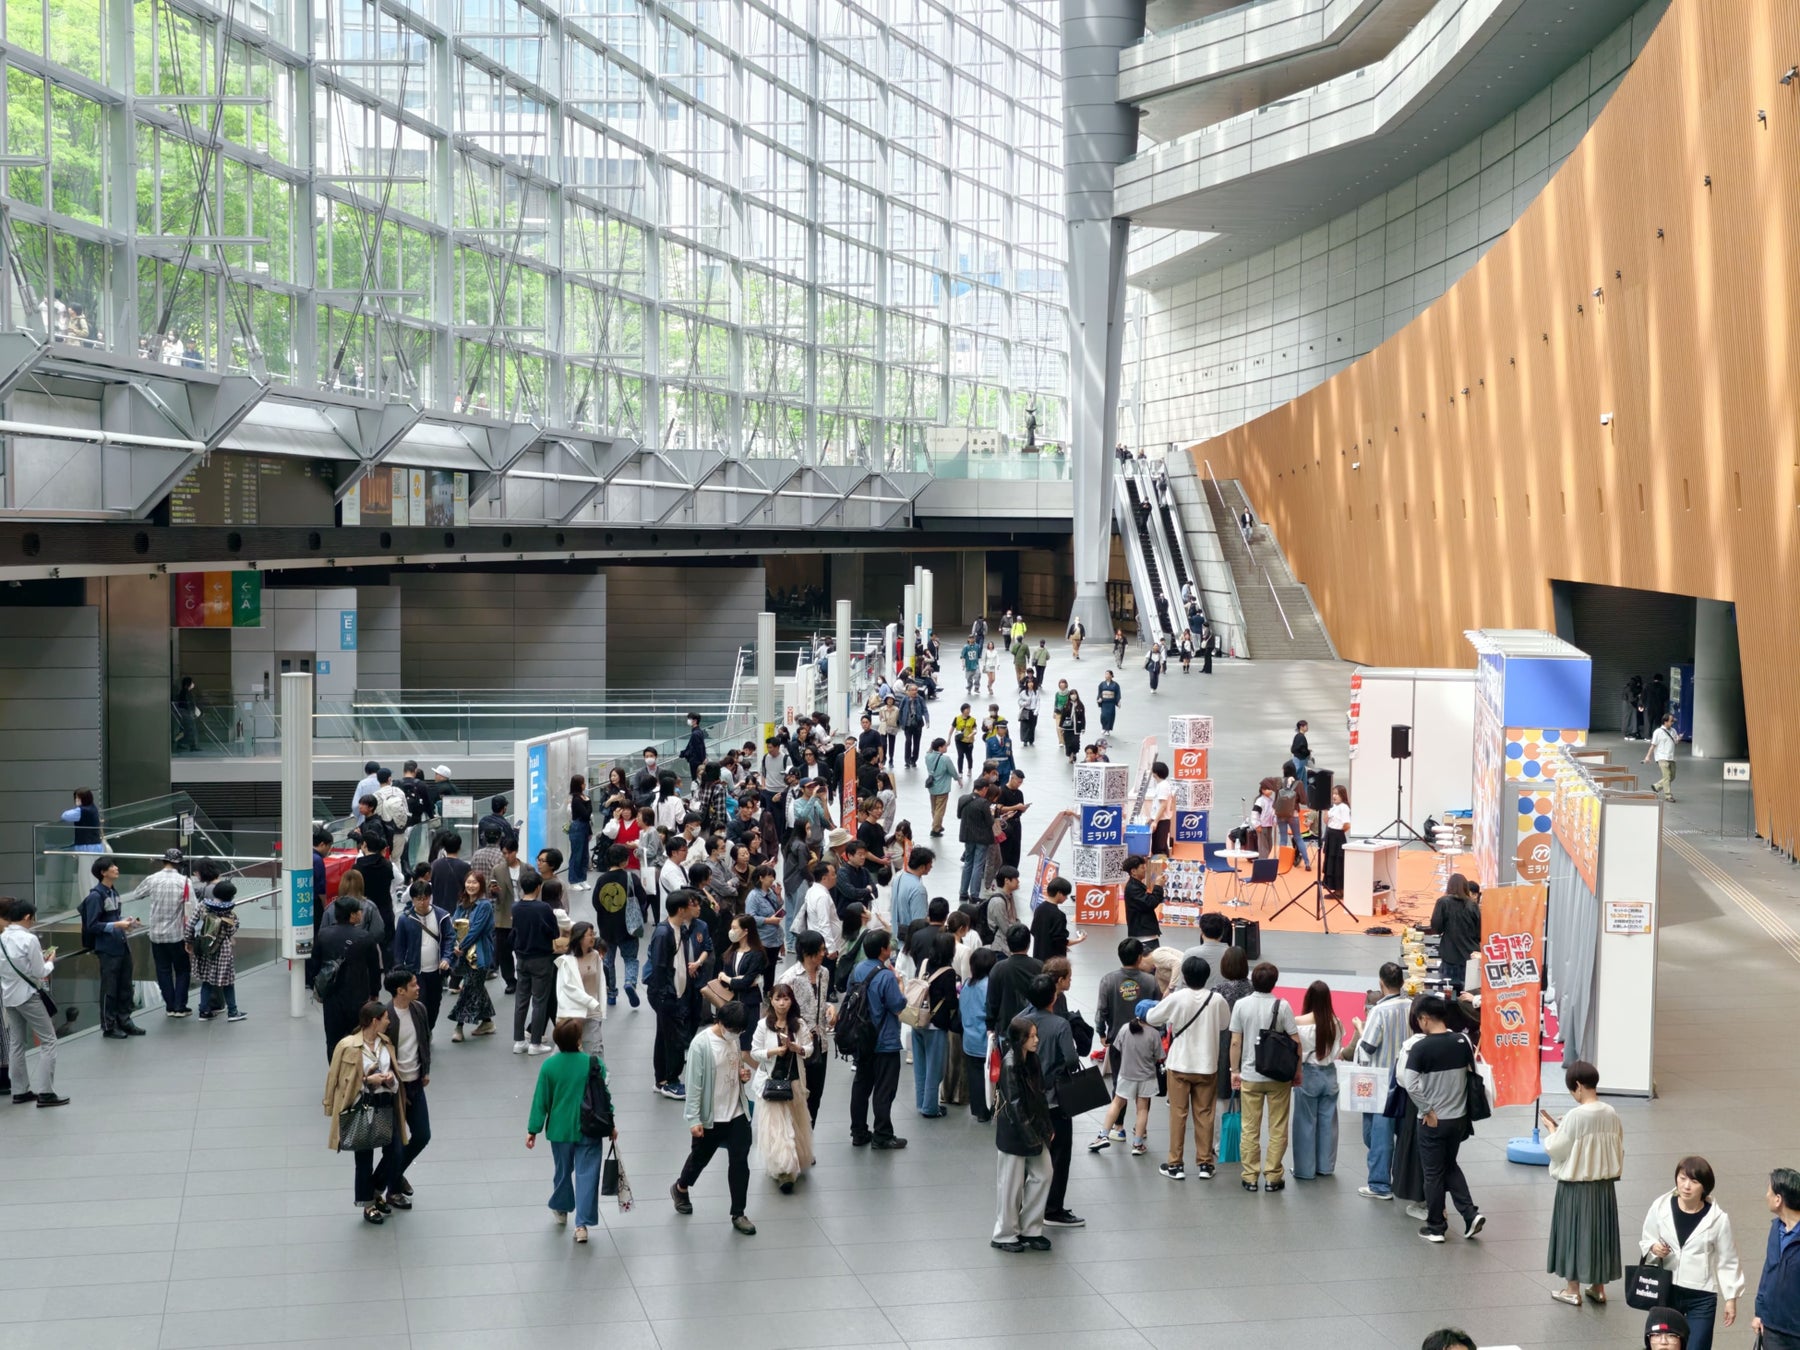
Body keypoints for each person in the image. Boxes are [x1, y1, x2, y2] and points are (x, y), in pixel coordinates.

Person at [1399, 993, 1486, 1244]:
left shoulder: (1420, 1047)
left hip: (1433, 1121)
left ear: (1425, 1018)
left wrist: (1427, 1110)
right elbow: (1471, 1074)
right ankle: (1470, 1214)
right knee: (1449, 1165)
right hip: (1458, 1118)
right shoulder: (1462, 1040)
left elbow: (1410, 1084)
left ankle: (1436, 1226)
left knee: (1433, 1174)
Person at [1543, 1058, 1626, 1305]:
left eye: (1572, 1090)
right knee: (1599, 1235)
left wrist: (1552, 1130)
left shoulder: (1575, 1116)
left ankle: (1572, 1289)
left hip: (1576, 1187)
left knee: (1573, 1235)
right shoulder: (1610, 1112)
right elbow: (1618, 1146)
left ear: (1578, 1086)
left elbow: (1557, 1148)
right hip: (1604, 1187)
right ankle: (1598, 1288)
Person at [1638, 1157, 1743, 1350]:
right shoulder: (1661, 1206)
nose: (1686, 1186)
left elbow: (1728, 1260)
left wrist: (1731, 1298)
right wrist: (1654, 1247)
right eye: (1682, 1178)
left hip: (1701, 1295)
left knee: (1698, 1346)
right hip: (1666, 1290)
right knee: (1664, 1346)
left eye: (1694, 1181)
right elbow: (1647, 1237)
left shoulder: (1718, 1219)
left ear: (1705, 1187)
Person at [671, 999, 756, 1235]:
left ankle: (738, 1213)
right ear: (720, 1021)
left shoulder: (734, 1039)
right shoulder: (701, 1045)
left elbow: (734, 1065)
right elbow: (694, 1084)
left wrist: (742, 1074)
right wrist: (693, 1119)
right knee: (699, 1158)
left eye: (740, 1031)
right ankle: (681, 1187)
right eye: (733, 1029)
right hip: (711, 1116)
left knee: (740, 1162)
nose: (736, 1034)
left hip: (736, 1112)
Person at [526, 1018, 611, 1244]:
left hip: (560, 1130)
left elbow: (541, 1100)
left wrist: (533, 1129)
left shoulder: (549, 1066)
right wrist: (611, 1125)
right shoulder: (593, 1064)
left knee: (563, 1171)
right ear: (579, 1040)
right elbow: (603, 1097)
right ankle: (581, 1225)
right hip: (590, 1127)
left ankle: (561, 1208)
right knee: (588, 1174)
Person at [323, 999, 407, 1225]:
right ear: (374, 1021)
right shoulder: (347, 1046)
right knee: (364, 1159)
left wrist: (389, 1080)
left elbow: (394, 1072)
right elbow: (336, 1078)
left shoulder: (385, 1043)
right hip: (362, 1107)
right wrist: (368, 1080)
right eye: (386, 1018)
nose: (389, 1021)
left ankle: (376, 1190)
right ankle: (367, 1204)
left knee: (396, 1152)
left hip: (386, 1104)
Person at [1146, 955, 1228, 1180]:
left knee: (1178, 1114)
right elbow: (1224, 1024)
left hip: (1179, 1065)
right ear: (1206, 976)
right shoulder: (1217, 999)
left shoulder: (1177, 997)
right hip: (1207, 1066)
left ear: (1185, 976)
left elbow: (1152, 1017)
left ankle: (1175, 1164)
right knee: (1205, 1114)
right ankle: (1205, 1163)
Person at [1229, 960, 1298, 1192]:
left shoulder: (1241, 1005)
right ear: (1274, 982)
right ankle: (1273, 1176)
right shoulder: (1283, 1006)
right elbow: (1295, 1041)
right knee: (1278, 1127)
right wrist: (1297, 1071)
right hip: (1278, 1075)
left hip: (1250, 1075)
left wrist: (1234, 1070)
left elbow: (1235, 1041)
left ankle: (1250, 1176)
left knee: (1249, 1127)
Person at [1019, 973, 1080, 1227]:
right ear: (1053, 997)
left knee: (1027, 1156)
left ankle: (1024, 1205)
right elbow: (1071, 1059)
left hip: (1026, 1099)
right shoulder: (1060, 1025)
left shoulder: (1019, 1022)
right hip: (1054, 1100)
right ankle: (1053, 1208)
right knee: (1059, 1154)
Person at [992, 1014, 1054, 1253]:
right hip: (1015, 1133)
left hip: (1030, 1129)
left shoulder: (1031, 1060)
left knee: (1043, 1174)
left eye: (1036, 1035)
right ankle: (1005, 1234)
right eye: (1032, 1036)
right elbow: (1015, 1104)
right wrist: (1035, 1135)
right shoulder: (1011, 1065)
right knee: (1011, 1185)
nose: (1036, 1040)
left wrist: (1045, 1129)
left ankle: (1029, 1228)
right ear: (1020, 1040)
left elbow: (1038, 1097)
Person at [1354, 961, 1412, 1200]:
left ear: (1381, 983)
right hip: (1407, 1079)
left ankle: (1379, 1184)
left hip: (1380, 1081)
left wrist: (1360, 1030)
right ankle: (1402, 1181)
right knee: (1403, 1133)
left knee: (1378, 1135)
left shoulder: (1379, 1011)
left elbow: (1367, 1047)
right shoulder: (1412, 1006)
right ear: (1402, 982)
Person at [750, 982, 815, 1193]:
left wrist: (798, 1048)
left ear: (791, 1001)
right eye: (778, 999)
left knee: (794, 1124)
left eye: (786, 999)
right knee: (778, 1128)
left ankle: (794, 1162)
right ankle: (784, 1171)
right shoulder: (763, 1025)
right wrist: (774, 1051)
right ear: (771, 1000)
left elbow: (810, 1048)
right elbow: (754, 1052)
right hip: (770, 1082)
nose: (782, 1003)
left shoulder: (799, 1024)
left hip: (794, 1082)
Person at [1, 899, 66, 1106]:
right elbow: (39, 972)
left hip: (9, 996)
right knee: (49, 1040)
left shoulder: (2, 938)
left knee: (16, 1043)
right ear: (27, 917)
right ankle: (46, 1093)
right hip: (28, 996)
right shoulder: (29, 939)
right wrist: (50, 962)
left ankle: (20, 1091)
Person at [846, 929, 907, 1149]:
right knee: (884, 1089)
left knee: (861, 1086)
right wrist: (900, 985)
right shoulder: (886, 975)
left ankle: (858, 1132)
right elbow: (897, 1005)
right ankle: (882, 1134)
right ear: (883, 950)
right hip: (885, 1040)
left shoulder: (857, 970)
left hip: (862, 1038)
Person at [646, 889, 710, 1100]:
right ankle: (671, 1081)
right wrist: (667, 996)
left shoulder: (679, 929)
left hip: (675, 992)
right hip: (667, 995)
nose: (695, 908)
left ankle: (662, 1079)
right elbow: (659, 967)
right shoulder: (664, 933)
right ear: (681, 910)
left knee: (664, 1036)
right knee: (673, 1039)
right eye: (691, 905)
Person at [382, 969, 432, 1208]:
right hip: (394, 1088)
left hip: (416, 1084)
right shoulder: (385, 1017)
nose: (418, 987)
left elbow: (424, 1040)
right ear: (400, 991)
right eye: (413, 985)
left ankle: (393, 1175)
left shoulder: (419, 1009)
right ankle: (392, 1190)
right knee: (394, 1143)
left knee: (422, 1135)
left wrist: (425, 1070)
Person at [79, 855, 143, 1038]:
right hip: (107, 948)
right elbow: (92, 925)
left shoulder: (113, 893)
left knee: (125, 986)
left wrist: (127, 923)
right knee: (110, 988)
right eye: (112, 866)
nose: (116, 868)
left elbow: (113, 918)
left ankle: (125, 1021)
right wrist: (117, 925)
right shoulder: (95, 896)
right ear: (103, 872)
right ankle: (109, 1026)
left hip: (121, 944)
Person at [1089, 997, 1160, 1157]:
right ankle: (1137, 1143)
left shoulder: (1125, 1029)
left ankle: (1103, 1135)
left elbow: (1118, 1048)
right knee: (1142, 1109)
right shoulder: (1154, 1034)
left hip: (1126, 1074)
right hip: (1147, 1077)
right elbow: (1158, 1056)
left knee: (1117, 1103)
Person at [315, 895, 383, 1059]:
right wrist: (374, 992)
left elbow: (315, 964)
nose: (361, 913)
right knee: (358, 1038)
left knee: (333, 1040)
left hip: (331, 997)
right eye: (359, 911)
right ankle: (356, 1069)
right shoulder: (365, 937)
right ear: (352, 915)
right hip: (358, 997)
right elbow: (374, 968)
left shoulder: (323, 935)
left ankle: (335, 1069)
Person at [778, 930, 834, 1127]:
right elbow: (777, 1012)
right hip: (797, 1046)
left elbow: (819, 1002)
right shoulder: (789, 978)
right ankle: (794, 1139)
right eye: (821, 950)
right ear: (807, 952)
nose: (824, 953)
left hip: (820, 1043)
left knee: (815, 1096)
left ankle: (808, 1137)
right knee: (796, 1096)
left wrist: (829, 1008)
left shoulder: (824, 973)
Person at [1292, 979, 1340, 1179]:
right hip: (1330, 1074)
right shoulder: (1336, 1023)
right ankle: (1325, 1167)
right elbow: (1337, 1051)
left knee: (1305, 1122)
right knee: (1328, 1123)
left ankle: (1305, 1170)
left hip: (1308, 1073)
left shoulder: (1298, 1022)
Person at [910, 929, 958, 1118]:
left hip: (917, 1019)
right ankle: (930, 1107)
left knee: (920, 1067)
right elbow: (951, 1002)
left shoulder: (924, 964)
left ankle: (921, 1102)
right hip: (936, 1024)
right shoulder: (948, 972)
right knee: (934, 1069)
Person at [511, 871, 560, 1055]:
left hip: (521, 958)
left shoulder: (515, 907)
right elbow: (554, 932)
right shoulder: (544, 908)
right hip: (541, 959)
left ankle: (518, 1041)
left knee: (521, 1000)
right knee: (539, 1001)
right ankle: (535, 1043)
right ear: (538, 887)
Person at [444, 874, 496, 1044]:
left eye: (475, 882)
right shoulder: (462, 905)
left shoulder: (485, 905)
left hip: (479, 955)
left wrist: (461, 946)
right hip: (463, 955)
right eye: (469, 882)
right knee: (476, 987)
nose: (471, 885)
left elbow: (476, 930)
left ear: (481, 885)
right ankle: (487, 1022)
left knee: (468, 988)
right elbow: (453, 925)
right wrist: (454, 945)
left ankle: (458, 1027)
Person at [392, 881, 451, 1028]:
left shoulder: (441, 916)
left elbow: (449, 938)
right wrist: (399, 969)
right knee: (419, 1004)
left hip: (436, 970)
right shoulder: (405, 919)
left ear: (430, 897)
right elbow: (399, 947)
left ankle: (428, 1029)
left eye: (425, 898)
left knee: (434, 1004)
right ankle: (421, 1033)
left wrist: (446, 958)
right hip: (415, 970)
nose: (422, 902)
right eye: (418, 899)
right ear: (412, 899)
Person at [188, 878, 245, 1021]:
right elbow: (231, 931)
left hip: (204, 948)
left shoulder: (202, 906)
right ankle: (232, 1011)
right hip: (222, 951)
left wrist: (189, 941)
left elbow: (190, 925)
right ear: (230, 896)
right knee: (228, 982)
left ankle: (204, 1011)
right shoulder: (230, 914)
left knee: (206, 981)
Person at [1757, 1167, 1800, 1348]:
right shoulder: (1776, 1229)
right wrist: (1760, 1312)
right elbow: (1768, 1271)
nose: (1766, 1196)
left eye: (1769, 1191)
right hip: (1773, 1328)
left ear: (1778, 1199)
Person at [555, 921, 607, 1057]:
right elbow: (568, 987)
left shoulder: (595, 956)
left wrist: (600, 1007)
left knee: (595, 1050)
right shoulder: (566, 961)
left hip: (592, 1012)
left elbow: (600, 981)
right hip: (572, 1014)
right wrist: (591, 1001)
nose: (593, 937)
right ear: (579, 937)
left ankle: (599, 1071)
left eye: (593, 934)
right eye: (590, 934)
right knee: (564, 1052)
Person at [1428, 874, 1482, 994]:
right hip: (1470, 959)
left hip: (1450, 958)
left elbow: (1437, 928)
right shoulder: (1473, 905)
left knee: (1448, 997)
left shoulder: (1442, 902)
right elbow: (1480, 933)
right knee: (1469, 997)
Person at [1030, 876, 1079, 961]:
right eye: (1065, 895)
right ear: (1059, 893)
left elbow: (1033, 930)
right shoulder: (1059, 915)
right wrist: (1079, 939)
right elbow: (1061, 941)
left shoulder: (1039, 909)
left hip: (1038, 957)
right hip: (1054, 962)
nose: (1066, 898)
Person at [1122, 854, 1163, 950]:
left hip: (1145, 933)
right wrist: (1158, 886)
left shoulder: (1136, 885)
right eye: (1142, 868)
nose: (1145, 870)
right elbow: (1150, 903)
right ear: (1133, 871)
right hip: (1143, 936)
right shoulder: (1133, 888)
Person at [1181, 913, 1231, 989]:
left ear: (1201, 931)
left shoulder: (1190, 953)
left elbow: (1182, 985)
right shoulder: (1233, 954)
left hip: (1196, 995)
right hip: (1225, 995)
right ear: (1222, 933)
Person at [1322, 786, 1351, 896]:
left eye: (1337, 794)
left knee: (1337, 864)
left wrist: (1338, 833)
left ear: (1342, 795)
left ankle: (1339, 890)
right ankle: (1335, 888)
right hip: (1330, 835)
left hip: (1337, 837)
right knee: (1331, 863)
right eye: (1333, 793)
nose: (1334, 796)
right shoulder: (1333, 807)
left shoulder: (1344, 807)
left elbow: (1347, 825)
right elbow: (1326, 821)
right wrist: (1325, 809)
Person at [1645, 712, 1680, 801]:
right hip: (1661, 757)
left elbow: (1675, 742)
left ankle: (1657, 786)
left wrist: (1678, 739)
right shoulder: (1658, 732)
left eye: (1673, 721)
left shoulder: (1673, 731)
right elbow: (1653, 745)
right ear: (1665, 722)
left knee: (1672, 776)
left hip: (1671, 757)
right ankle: (1668, 795)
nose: (1672, 723)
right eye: (1671, 721)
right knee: (1667, 776)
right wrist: (1648, 757)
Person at [1059, 690, 1087, 762]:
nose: (1073, 696)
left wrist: (1083, 727)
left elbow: (1083, 717)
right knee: (1068, 743)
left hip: (1076, 727)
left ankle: (1074, 752)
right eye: (1072, 694)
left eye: (1075, 694)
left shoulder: (1080, 705)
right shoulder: (1066, 705)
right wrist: (1061, 726)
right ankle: (1070, 756)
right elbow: (1062, 716)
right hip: (1067, 727)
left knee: (1076, 742)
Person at [1290, 720, 1312, 787]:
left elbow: (1294, 748)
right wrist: (1308, 752)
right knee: (1299, 778)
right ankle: (1298, 791)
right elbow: (1302, 749)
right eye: (1306, 726)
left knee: (1303, 778)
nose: (1307, 727)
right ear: (1301, 727)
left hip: (1298, 759)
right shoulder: (1301, 737)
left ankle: (1303, 791)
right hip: (1300, 760)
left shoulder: (1298, 736)